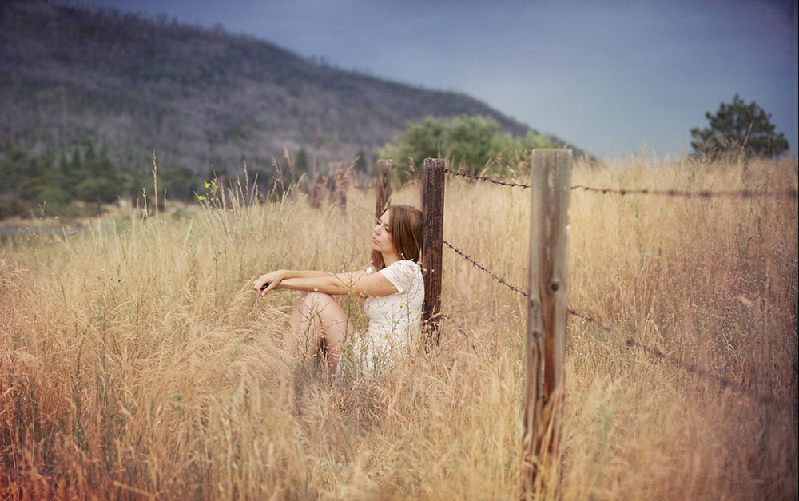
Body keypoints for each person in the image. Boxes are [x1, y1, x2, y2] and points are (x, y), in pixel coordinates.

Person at [253, 205, 424, 376]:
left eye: (386, 229)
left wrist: (282, 284)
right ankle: (288, 369)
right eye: (379, 222)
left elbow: (336, 285)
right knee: (309, 293)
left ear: (404, 237)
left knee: (316, 299)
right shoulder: (382, 272)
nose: (376, 230)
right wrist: (283, 275)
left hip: (381, 366)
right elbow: (329, 276)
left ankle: (288, 375)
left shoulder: (405, 271)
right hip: (369, 353)